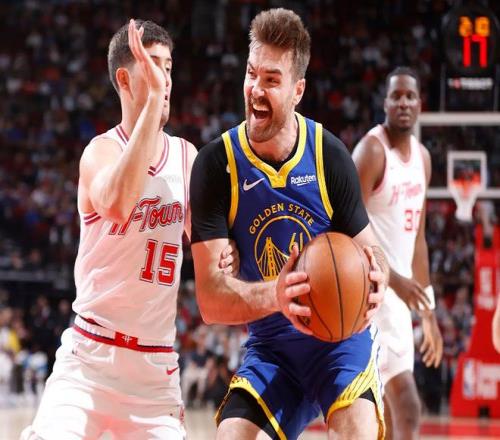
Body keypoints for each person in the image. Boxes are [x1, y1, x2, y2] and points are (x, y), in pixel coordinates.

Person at [22, 19, 237, 440]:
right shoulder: (100, 152)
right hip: (90, 362)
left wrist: (230, 252)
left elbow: (215, 254)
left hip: (155, 374)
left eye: (169, 68)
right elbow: (119, 204)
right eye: (153, 65)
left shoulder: (186, 157)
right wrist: (153, 104)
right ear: (124, 78)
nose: (165, 79)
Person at [190, 8, 389, 440]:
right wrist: (278, 296)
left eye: (271, 80)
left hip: (341, 345)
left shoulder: (328, 155)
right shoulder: (216, 165)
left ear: (298, 90)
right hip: (272, 350)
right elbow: (210, 301)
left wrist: (378, 279)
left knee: (356, 432)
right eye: (251, 74)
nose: (255, 89)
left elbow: (372, 250)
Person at [352, 66, 444, 440]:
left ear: (420, 104)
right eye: (396, 96)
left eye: (410, 96)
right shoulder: (371, 151)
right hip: (370, 295)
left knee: (389, 421)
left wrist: (429, 313)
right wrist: (393, 279)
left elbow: (418, 240)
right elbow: (347, 227)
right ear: (385, 103)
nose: (403, 102)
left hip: (401, 302)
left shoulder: (423, 159)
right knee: (407, 405)